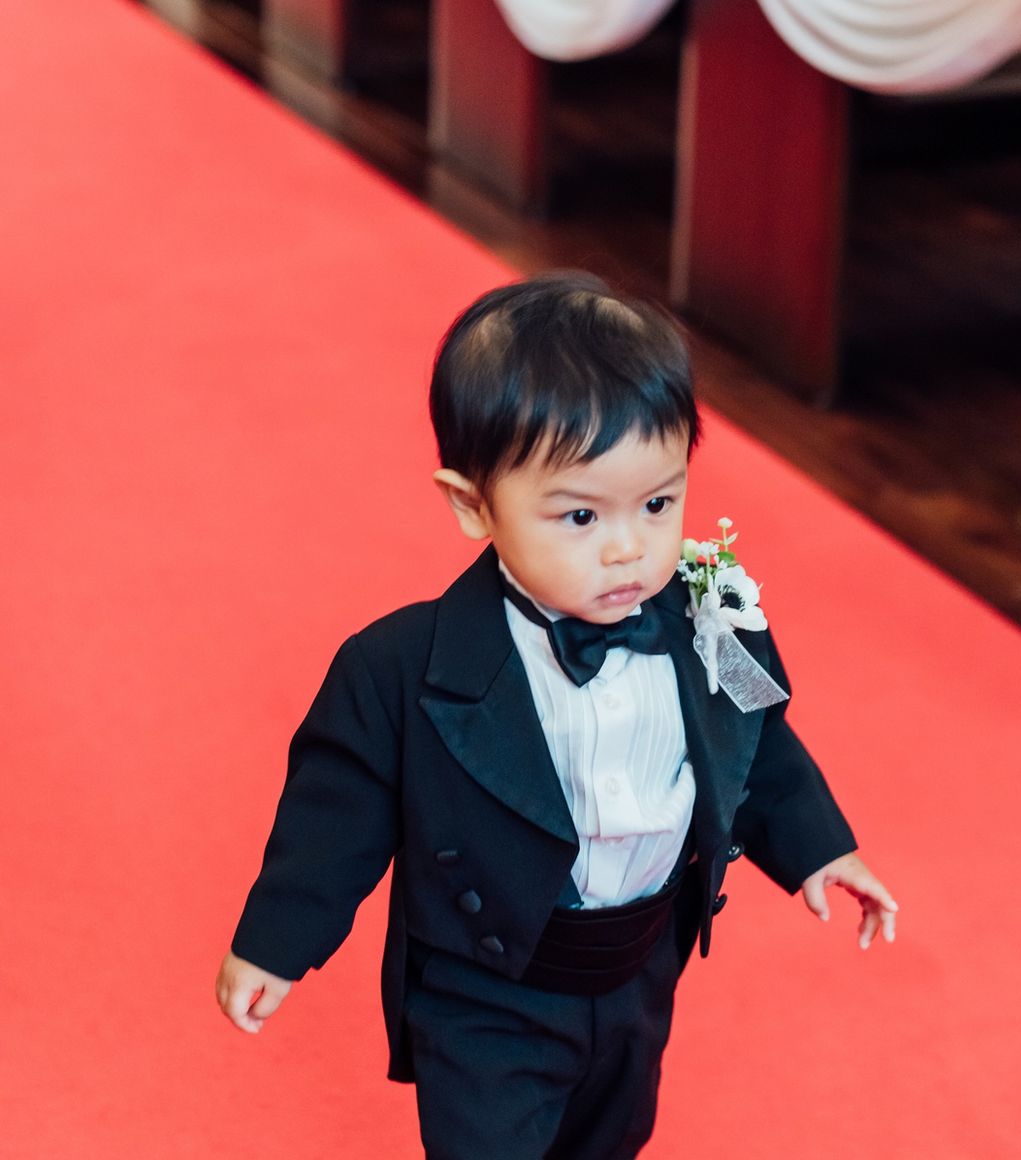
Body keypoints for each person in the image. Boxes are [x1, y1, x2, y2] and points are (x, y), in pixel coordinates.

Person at [215, 271, 897, 1159]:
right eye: (580, 515)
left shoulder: (713, 614)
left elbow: (757, 743)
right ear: (472, 505)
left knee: (611, 1137)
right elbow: (333, 822)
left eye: (658, 503)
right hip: (488, 983)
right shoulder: (398, 668)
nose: (628, 548)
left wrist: (819, 847)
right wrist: (274, 945)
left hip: (640, 963)